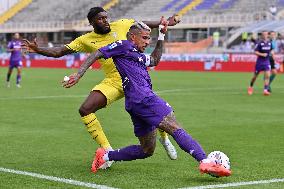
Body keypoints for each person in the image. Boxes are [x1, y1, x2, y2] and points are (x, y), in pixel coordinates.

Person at [63, 21, 231, 177]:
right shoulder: (123, 45)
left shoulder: (138, 55)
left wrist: (162, 36)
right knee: (174, 126)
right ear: (132, 37)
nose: (147, 41)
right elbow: (98, 52)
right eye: (144, 38)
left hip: (135, 103)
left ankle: (106, 156)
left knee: (147, 149)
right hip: (143, 99)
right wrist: (79, 73)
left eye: (149, 38)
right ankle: (205, 161)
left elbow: (155, 60)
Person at [22, 7, 180, 168]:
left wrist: (167, 22)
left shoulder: (122, 24)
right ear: (91, 22)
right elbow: (59, 51)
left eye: (106, 17)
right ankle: (107, 151)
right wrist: (38, 49)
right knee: (85, 109)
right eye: (100, 18)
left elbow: (144, 25)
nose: (105, 20)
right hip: (113, 82)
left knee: (154, 110)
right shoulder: (85, 39)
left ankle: (165, 139)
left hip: (135, 79)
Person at [248, 31, 274, 96]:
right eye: (263, 34)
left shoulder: (270, 43)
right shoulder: (259, 43)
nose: (265, 35)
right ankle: (250, 87)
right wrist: (262, 54)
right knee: (255, 77)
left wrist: (272, 53)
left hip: (266, 62)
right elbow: (255, 52)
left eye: (266, 34)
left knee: (267, 76)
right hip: (259, 62)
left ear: (267, 35)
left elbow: (272, 49)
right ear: (262, 36)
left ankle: (265, 90)